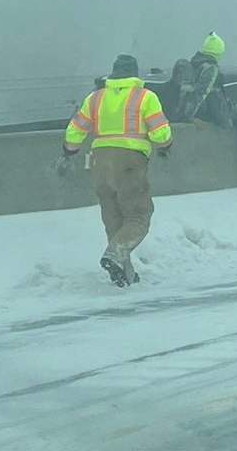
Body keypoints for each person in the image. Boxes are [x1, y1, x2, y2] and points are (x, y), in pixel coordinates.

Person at [63, 54, 172, 287]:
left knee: (113, 218)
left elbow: (74, 130)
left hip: (99, 161)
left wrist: (70, 151)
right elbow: (160, 133)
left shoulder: (95, 98)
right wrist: (165, 145)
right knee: (138, 215)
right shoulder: (145, 97)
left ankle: (125, 273)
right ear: (135, 74)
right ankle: (116, 253)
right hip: (130, 161)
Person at [180, 32, 237, 181]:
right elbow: (201, 93)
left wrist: (185, 114)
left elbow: (186, 91)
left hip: (208, 110)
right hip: (216, 112)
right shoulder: (211, 68)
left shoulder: (194, 64)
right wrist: (191, 118)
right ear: (218, 53)